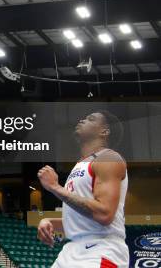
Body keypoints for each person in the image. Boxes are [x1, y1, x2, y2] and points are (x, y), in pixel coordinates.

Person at [37, 111, 128, 268]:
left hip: (100, 249)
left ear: (104, 131)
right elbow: (83, 221)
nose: (82, 119)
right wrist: (49, 221)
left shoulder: (109, 159)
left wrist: (55, 187)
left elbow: (104, 214)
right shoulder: (82, 164)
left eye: (90, 119)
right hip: (71, 250)